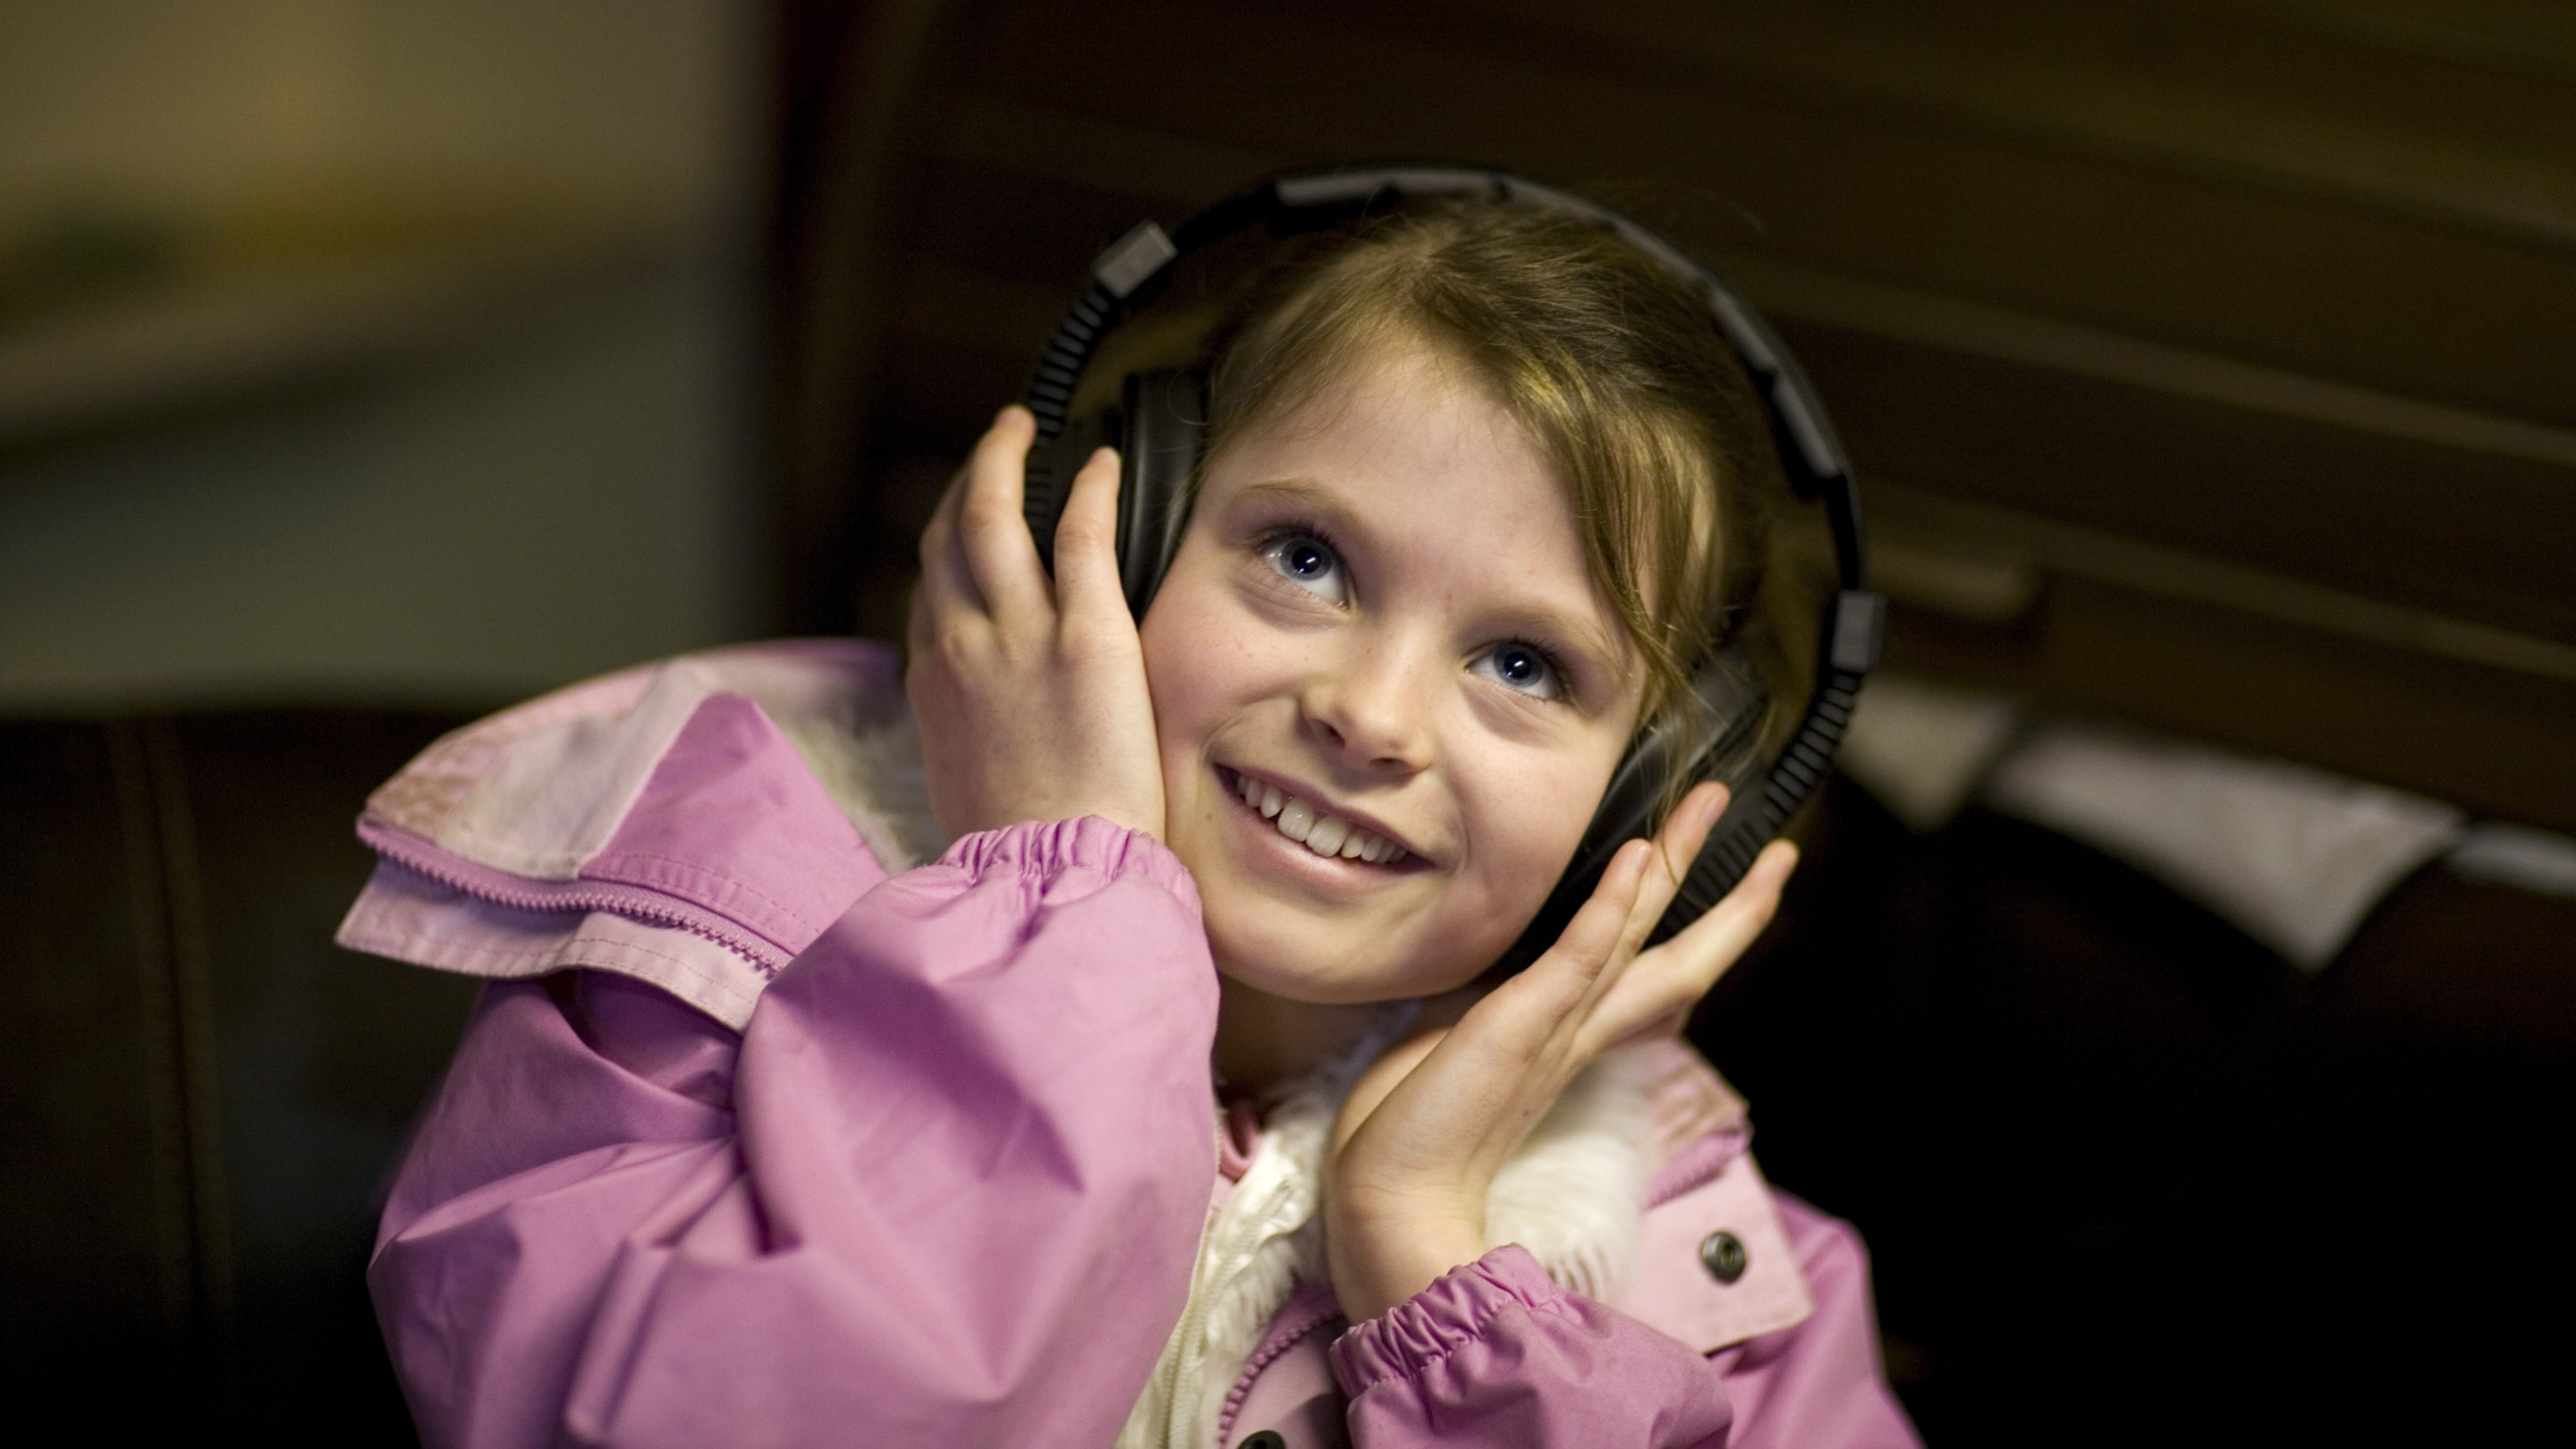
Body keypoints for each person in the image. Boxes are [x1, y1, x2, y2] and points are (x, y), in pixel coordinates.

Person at [341, 195, 1921, 1448]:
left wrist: (1435, 1269)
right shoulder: (673, 1001)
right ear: (1110, 539)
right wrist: (1059, 916)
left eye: (1523, 664)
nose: (1369, 716)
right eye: (1307, 560)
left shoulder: (1711, 1285)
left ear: (1656, 805)